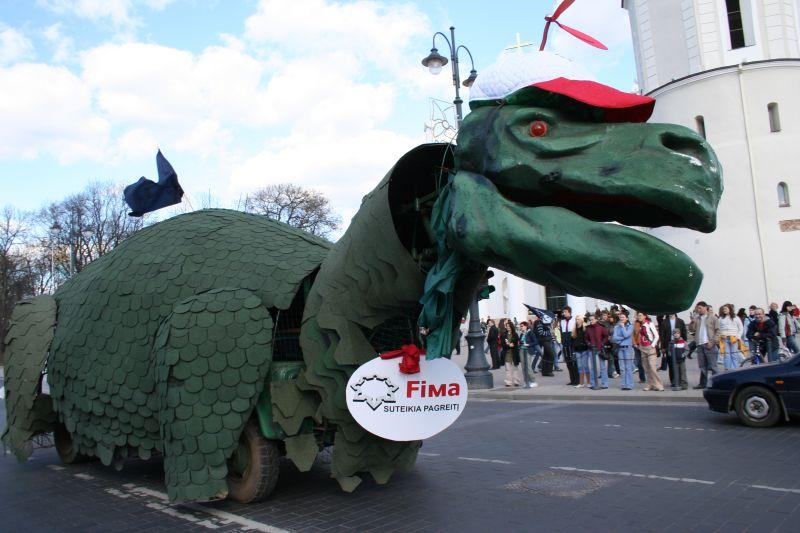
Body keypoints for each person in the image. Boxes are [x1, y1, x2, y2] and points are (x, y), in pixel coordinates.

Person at [690, 301, 720, 388]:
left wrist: (713, 342)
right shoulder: (698, 318)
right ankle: (703, 383)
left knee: (713, 366)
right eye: (697, 308)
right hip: (700, 344)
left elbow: (718, 331)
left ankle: (717, 384)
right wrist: (692, 322)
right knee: (702, 366)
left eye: (700, 308)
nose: (698, 310)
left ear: (705, 307)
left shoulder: (713, 318)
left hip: (709, 344)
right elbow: (692, 330)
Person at [636, 312, 663, 391]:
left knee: (652, 366)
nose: (638, 317)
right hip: (643, 347)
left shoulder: (649, 324)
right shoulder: (640, 325)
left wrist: (653, 345)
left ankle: (658, 384)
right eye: (638, 315)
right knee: (646, 367)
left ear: (645, 316)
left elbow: (656, 335)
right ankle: (650, 384)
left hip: (650, 347)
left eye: (640, 315)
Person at [659, 313, 687, 386]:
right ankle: (673, 381)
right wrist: (662, 347)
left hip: (679, 345)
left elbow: (684, 332)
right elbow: (662, 335)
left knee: (680, 365)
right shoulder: (664, 322)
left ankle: (681, 381)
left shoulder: (680, 321)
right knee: (671, 365)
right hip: (669, 345)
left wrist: (684, 342)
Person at [586, 314, 610, 389]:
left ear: (596, 320)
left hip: (600, 349)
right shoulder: (588, 328)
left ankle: (605, 384)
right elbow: (586, 338)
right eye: (590, 320)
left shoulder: (601, 327)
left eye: (592, 319)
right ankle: (593, 383)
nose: (591, 321)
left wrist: (602, 343)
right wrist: (589, 343)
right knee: (592, 367)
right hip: (591, 349)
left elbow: (606, 336)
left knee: (603, 367)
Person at [612, 312, 635, 390]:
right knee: (622, 367)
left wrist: (622, 327)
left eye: (623, 317)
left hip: (628, 348)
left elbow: (626, 334)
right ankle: (623, 384)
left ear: (627, 318)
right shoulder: (616, 327)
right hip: (620, 347)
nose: (622, 318)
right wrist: (622, 338)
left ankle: (629, 384)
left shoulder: (630, 326)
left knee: (628, 367)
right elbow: (614, 337)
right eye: (621, 317)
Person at [718, 304, 744, 369]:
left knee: (734, 354)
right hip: (724, 338)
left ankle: (736, 369)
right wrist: (721, 335)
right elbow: (718, 329)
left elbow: (741, 328)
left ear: (730, 309)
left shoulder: (736, 318)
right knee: (726, 354)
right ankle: (727, 369)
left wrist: (737, 337)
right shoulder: (721, 318)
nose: (724, 310)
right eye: (723, 309)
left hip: (734, 338)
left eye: (726, 309)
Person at [559, 307, 579, 386]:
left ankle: (577, 380)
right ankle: (572, 380)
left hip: (572, 344)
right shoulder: (562, 321)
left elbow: (576, 332)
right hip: (565, 344)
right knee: (568, 363)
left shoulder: (574, 320)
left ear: (569, 312)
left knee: (574, 362)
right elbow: (561, 332)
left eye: (565, 312)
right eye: (563, 312)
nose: (564, 313)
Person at [571, 316, 591, 388]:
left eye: (578, 319)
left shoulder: (585, 328)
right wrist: (573, 349)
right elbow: (573, 340)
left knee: (585, 366)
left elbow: (588, 338)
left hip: (585, 349)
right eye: (576, 319)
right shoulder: (574, 329)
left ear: (582, 320)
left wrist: (586, 344)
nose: (577, 320)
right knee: (579, 367)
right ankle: (581, 383)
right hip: (577, 350)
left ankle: (589, 382)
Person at [500, 320, 521, 386]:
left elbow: (517, 342)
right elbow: (502, 344)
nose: (508, 327)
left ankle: (516, 381)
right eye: (507, 326)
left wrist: (513, 344)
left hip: (514, 353)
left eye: (509, 326)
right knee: (508, 369)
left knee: (515, 368)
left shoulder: (515, 334)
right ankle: (508, 382)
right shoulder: (503, 334)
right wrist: (508, 345)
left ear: (512, 327)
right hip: (507, 353)